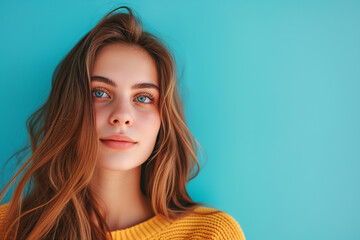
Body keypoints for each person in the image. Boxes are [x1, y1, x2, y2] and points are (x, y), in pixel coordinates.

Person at [0, 6, 245, 240]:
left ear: (163, 120)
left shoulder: (210, 234)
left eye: (143, 97)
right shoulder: (8, 226)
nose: (122, 115)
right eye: (100, 93)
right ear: (69, 108)